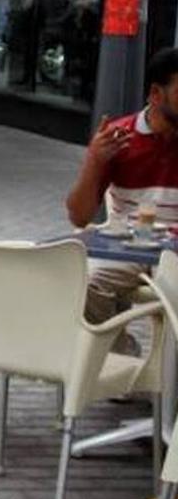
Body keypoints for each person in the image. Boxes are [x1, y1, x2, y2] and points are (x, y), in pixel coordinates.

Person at [66, 48, 178, 327]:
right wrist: (94, 160)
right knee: (87, 284)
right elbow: (79, 217)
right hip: (128, 247)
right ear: (156, 94)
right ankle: (117, 355)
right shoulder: (119, 138)